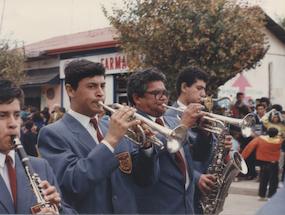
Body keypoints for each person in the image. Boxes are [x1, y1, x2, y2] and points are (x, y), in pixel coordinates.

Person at [38, 59, 159, 214]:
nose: (100, 93)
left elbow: (146, 180)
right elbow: (73, 186)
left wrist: (146, 146)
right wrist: (110, 141)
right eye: (91, 86)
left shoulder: (112, 128)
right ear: (70, 90)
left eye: (102, 85)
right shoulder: (53, 134)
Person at [127, 67, 232, 214]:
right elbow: (147, 158)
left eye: (165, 93)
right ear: (137, 98)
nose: (164, 98)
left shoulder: (172, 121)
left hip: (186, 206)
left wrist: (204, 135)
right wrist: (183, 126)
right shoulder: (130, 126)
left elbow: (199, 157)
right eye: (156, 93)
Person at [0, 77, 76, 214]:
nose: (13, 124)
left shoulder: (41, 167)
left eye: (16, 115)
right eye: (2, 115)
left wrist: (58, 209)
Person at [164, 66, 232, 214]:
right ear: (184, 87)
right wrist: (196, 178)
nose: (204, 94)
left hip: (206, 192)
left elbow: (204, 154)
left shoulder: (204, 115)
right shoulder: (168, 116)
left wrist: (220, 146)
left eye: (204, 89)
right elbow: (167, 157)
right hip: (182, 191)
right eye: (199, 88)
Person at [241, 127, 283, 200]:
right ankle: (271, 196)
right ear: (276, 134)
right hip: (274, 162)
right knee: (273, 180)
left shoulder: (260, 139)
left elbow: (249, 148)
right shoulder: (280, 141)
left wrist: (241, 158)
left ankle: (261, 195)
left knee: (263, 178)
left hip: (262, 161)